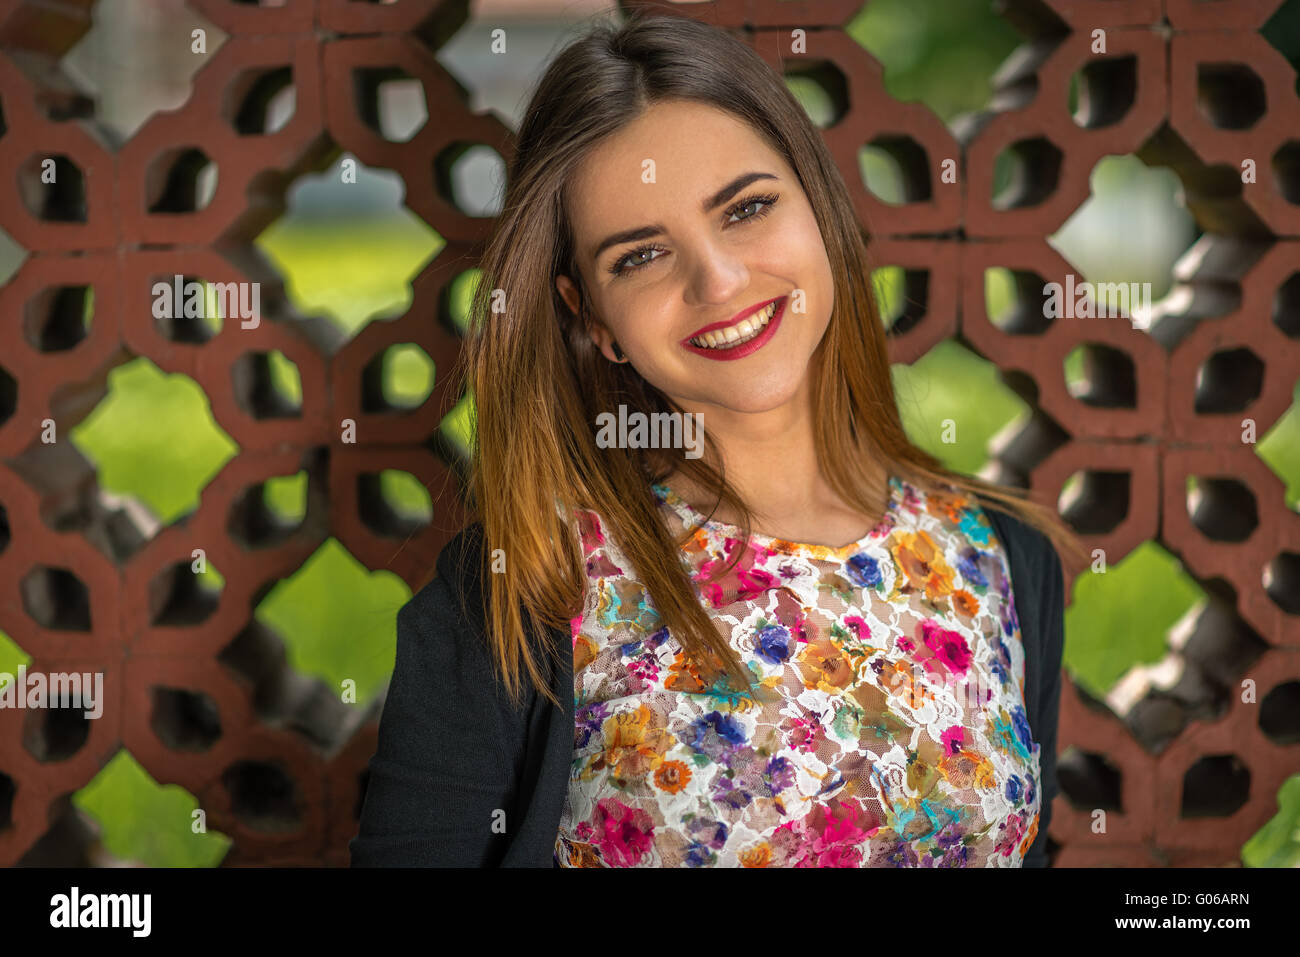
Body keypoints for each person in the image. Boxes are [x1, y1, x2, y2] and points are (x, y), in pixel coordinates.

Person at [350, 10, 1085, 868]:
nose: (720, 280)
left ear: (819, 205)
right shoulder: (524, 591)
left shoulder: (999, 556)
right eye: (640, 256)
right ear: (595, 318)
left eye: (747, 208)